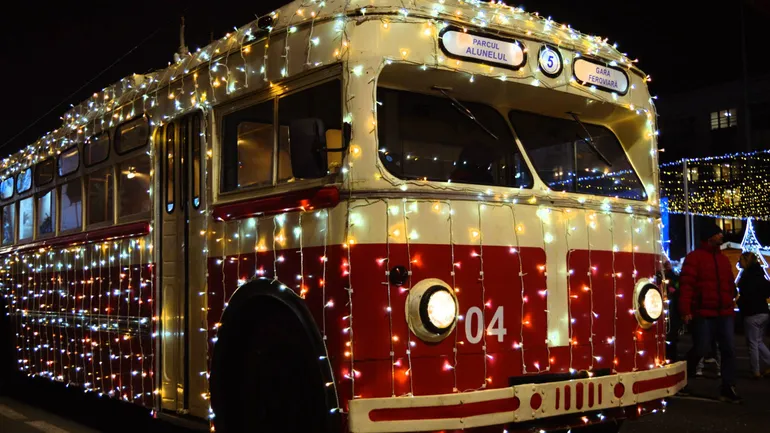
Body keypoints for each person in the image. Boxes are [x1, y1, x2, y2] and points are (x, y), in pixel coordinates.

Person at [678, 222, 741, 403]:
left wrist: (732, 293)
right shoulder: (695, 258)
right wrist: (686, 310)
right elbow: (687, 286)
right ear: (709, 237)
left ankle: (728, 386)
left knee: (729, 349)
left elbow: (729, 281)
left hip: (724, 311)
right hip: (704, 312)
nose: (721, 236)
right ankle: (682, 379)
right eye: (718, 234)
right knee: (701, 348)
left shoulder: (722, 259)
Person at [736, 251, 770, 379]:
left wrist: (740, 302)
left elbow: (745, 295)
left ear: (747, 261)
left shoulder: (746, 277)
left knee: (752, 343)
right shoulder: (760, 275)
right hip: (763, 312)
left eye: (741, 260)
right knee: (759, 341)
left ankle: (755, 370)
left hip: (751, 313)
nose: (739, 263)